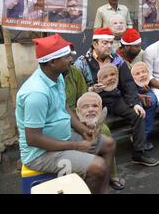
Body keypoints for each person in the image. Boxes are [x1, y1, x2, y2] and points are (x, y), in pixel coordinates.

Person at [15, 34, 115, 194]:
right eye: (67, 56)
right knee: (98, 166)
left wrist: (83, 130)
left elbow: (64, 107)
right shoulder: (36, 94)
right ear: (52, 62)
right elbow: (33, 139)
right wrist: (76, 146)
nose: (71, 60)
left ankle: (102, 191)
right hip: (40, 154)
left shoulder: (57, 77)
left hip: (61, 137)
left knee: (109, 144)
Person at [74, 27, 159, 166]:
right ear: (95, 44)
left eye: (110, 42)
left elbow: (128, 83)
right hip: (95, 103)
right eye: (105, 43)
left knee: (138, 114)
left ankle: (139, 153)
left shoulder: (117, 60)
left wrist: (135, 103)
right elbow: (79, 91)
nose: (109, 46)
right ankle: (94, 160)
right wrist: (91, 89)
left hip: (115, 98)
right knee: (93, 124)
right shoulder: (82, 63)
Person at [64, 64, 124, 190]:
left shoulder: (74, 72)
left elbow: (83, 95)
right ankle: (88, 173)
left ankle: (111, 174)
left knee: (103, 130)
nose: (70, 60)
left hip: (81, 112)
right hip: (64, 120)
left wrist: (86, 114)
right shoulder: (49, 81)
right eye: (66, 56)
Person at [131, 62, 158, 151]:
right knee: (139, 107)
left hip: (145, 87)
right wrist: (137, 94)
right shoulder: (119, 61)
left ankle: (146, 134)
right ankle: (139, 138)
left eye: (144, 72)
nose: (142, 75)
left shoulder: (141, 54)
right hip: (131, 90)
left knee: (152, 101)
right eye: (138, 73)